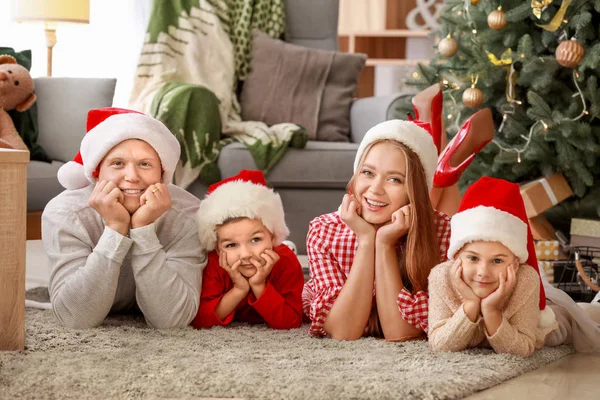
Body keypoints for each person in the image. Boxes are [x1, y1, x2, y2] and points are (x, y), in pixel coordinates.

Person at [42, 107, 205, 329]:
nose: (132, 177)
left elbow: (172, 321)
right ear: (97, 172)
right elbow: (74, 319)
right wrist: (115, 228)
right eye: (117, 163)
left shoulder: (188, 216)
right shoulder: (65, 213)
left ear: (162, 174)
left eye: (145, 164)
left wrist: (143, 230)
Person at [302, 119, 451, 340]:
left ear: (415, 191)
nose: (375, 189)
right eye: (368, 173)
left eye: (394, 179)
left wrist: (384, 243)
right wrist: (366, 240)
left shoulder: (442, 231)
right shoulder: (324, 231)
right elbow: (342, 332)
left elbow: (400, 334)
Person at [428, 177, 600, 357]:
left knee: (576, 321)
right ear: (456, 256)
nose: (483, 272)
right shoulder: (441, 277)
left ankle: (595, 306)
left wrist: (491, 311)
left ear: (515, 262)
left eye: (497, 261)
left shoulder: (525, 278)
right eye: (473, 258)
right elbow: (440, 344)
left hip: (543, 319)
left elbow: (522, 348)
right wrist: (471, 304)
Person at [191, 170, 304, 330]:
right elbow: (200, 320)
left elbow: (291, 322)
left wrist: (259, 285)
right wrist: (239, 290)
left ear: (273, 237)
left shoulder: (285, 261)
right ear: (217, 248)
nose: (245, 255)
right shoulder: (215, 263)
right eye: (231, 245)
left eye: (256, 240)